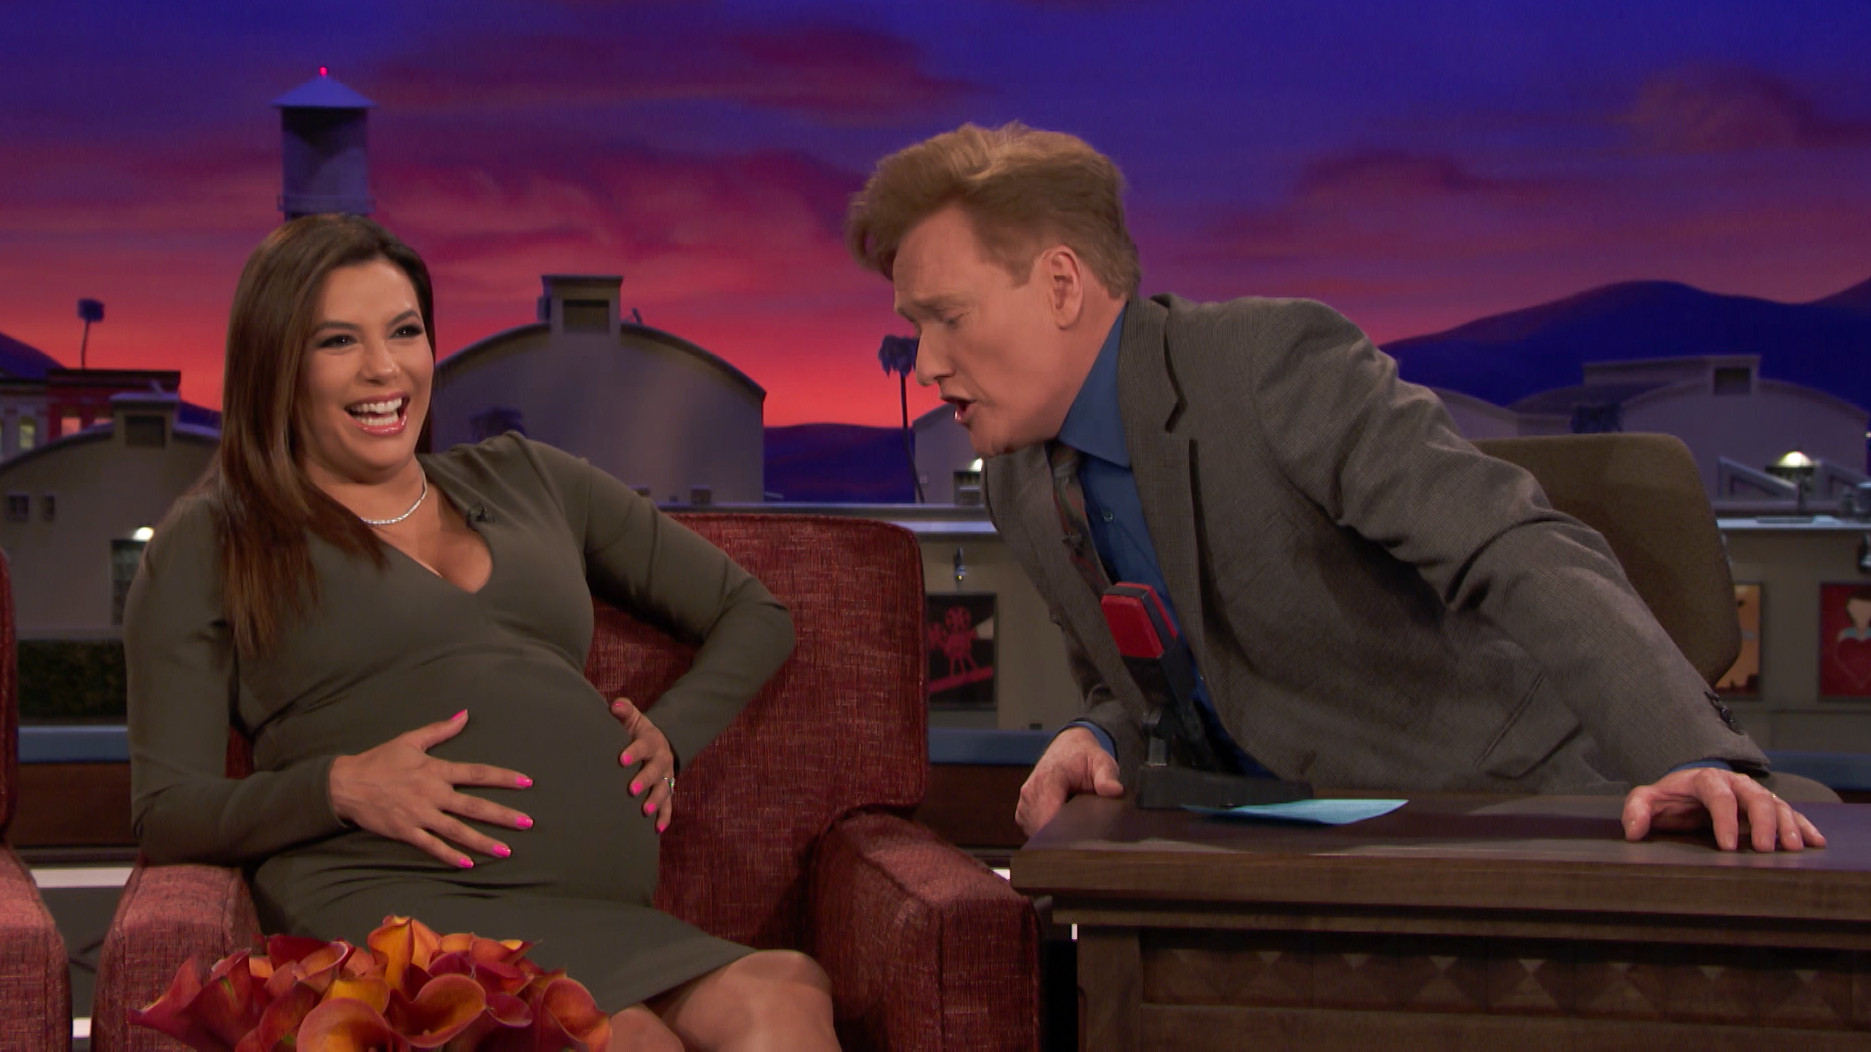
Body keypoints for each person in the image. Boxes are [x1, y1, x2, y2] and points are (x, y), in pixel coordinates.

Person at [845, 122, 1830, 853]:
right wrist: (1089, 733)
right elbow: (1138, 684)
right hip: (1252, 849)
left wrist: (1691, 754)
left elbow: (1513, 545)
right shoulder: (1017, 479)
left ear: (1060, 284)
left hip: (1486, 805)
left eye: (947, 317)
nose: (924, 363)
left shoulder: (1267, 365)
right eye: (912, 326)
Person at [126, 215, 839, 1049]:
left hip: (592, 906)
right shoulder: (216, 537)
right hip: (391, 899)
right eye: (338, 341)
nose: (384, 367)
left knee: (786, 992)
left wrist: (672, 734)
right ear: (274, 365)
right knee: (627, 1040)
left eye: (404, 331)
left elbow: (752, 613)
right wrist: (338, 786)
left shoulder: (530, 477)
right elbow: (168, 811)